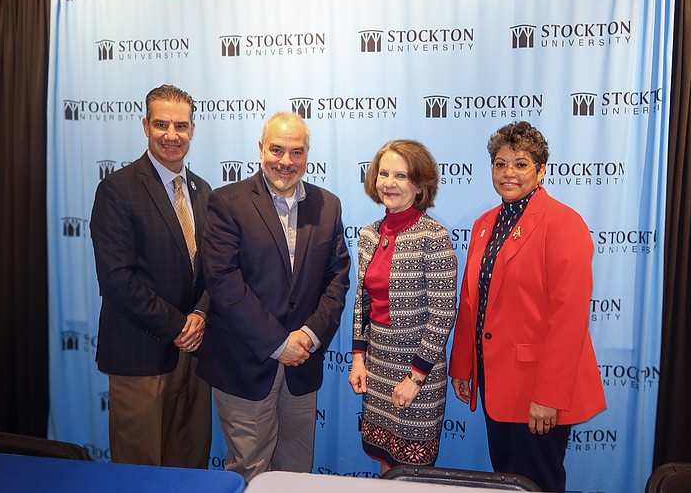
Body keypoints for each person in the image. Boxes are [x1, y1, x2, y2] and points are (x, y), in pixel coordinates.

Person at [449, 121, 605, 492]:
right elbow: (472, 300)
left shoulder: (563, 223)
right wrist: (463, 365)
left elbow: (569, 318)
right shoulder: (485, 224)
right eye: (500, 163)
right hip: (494, 381)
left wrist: (549, 396)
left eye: (521, 163)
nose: (509, 172)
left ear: (541, 171)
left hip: (538, 388)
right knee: (508, 482)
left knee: (539, 484)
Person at [196, 111, 351, 481]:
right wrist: (278, 342)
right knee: (250, 472)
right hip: (246, 363)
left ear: (308, 153)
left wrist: (309, 336)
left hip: (303, 362)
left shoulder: (328, 205)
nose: (286, 161)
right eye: (277, 149)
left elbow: (337, 278)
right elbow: (223, 282)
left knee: (296, 473)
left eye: (296, 152)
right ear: (260, 148)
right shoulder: (226, 202)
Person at [90, 84, 212, 468]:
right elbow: (116, 279)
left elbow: (214, 270)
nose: (171, 136)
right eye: (162, 124)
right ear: (145, 125)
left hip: (195, 358)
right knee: (139, 470)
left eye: (181, 126)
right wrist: (180, 325)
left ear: (193, 129)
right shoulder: (117, 189)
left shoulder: (203, 191)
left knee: (188, 465)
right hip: (141, 356)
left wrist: (202, 316)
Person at [349, 139, 458, 474]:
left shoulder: (433, 236)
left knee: (413, 472)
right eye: (384, 174)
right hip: (376, 365)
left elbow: (442, 315)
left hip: (418, 373)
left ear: (419, 184)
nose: (390, 183)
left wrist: (415, 377)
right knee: (386, 464)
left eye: (401, 175)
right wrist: (357, 358)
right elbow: (362, 302)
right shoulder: (369, 234)